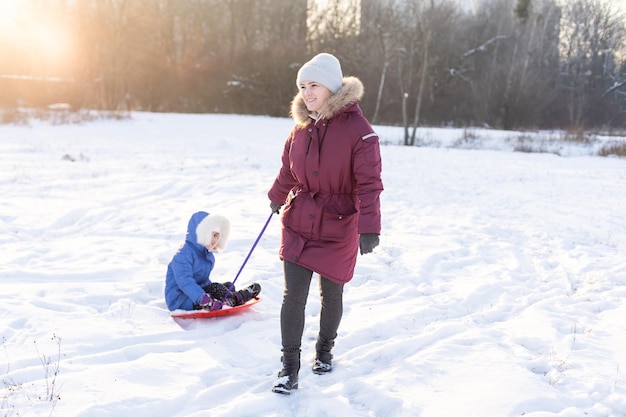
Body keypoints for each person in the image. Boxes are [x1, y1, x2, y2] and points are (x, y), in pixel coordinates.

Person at [267, 53, 383, 394]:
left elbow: (369, 183)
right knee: (293, 297)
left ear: (332, 87)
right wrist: (277, 195)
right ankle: (289, 368)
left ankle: (325, 350)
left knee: (331, 297)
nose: (307, 93)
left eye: (313, 85)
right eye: (303, 86)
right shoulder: (300, 128)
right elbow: (289, 169)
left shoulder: (359, 132)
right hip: (299, 219)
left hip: (338, 224)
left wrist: (369, 227)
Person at [164, 211, 261, 311]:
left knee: (227, 285)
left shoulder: (206, 255)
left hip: (196, 295)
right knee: (216, 288)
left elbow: (203, 281)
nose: (214, 239)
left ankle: (227, 298)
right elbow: (185, 282)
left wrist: (212, 293)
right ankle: (236, 298)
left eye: (216, 235)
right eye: (211, 234)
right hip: (181, 300)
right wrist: (202, 298)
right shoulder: (183, 254)